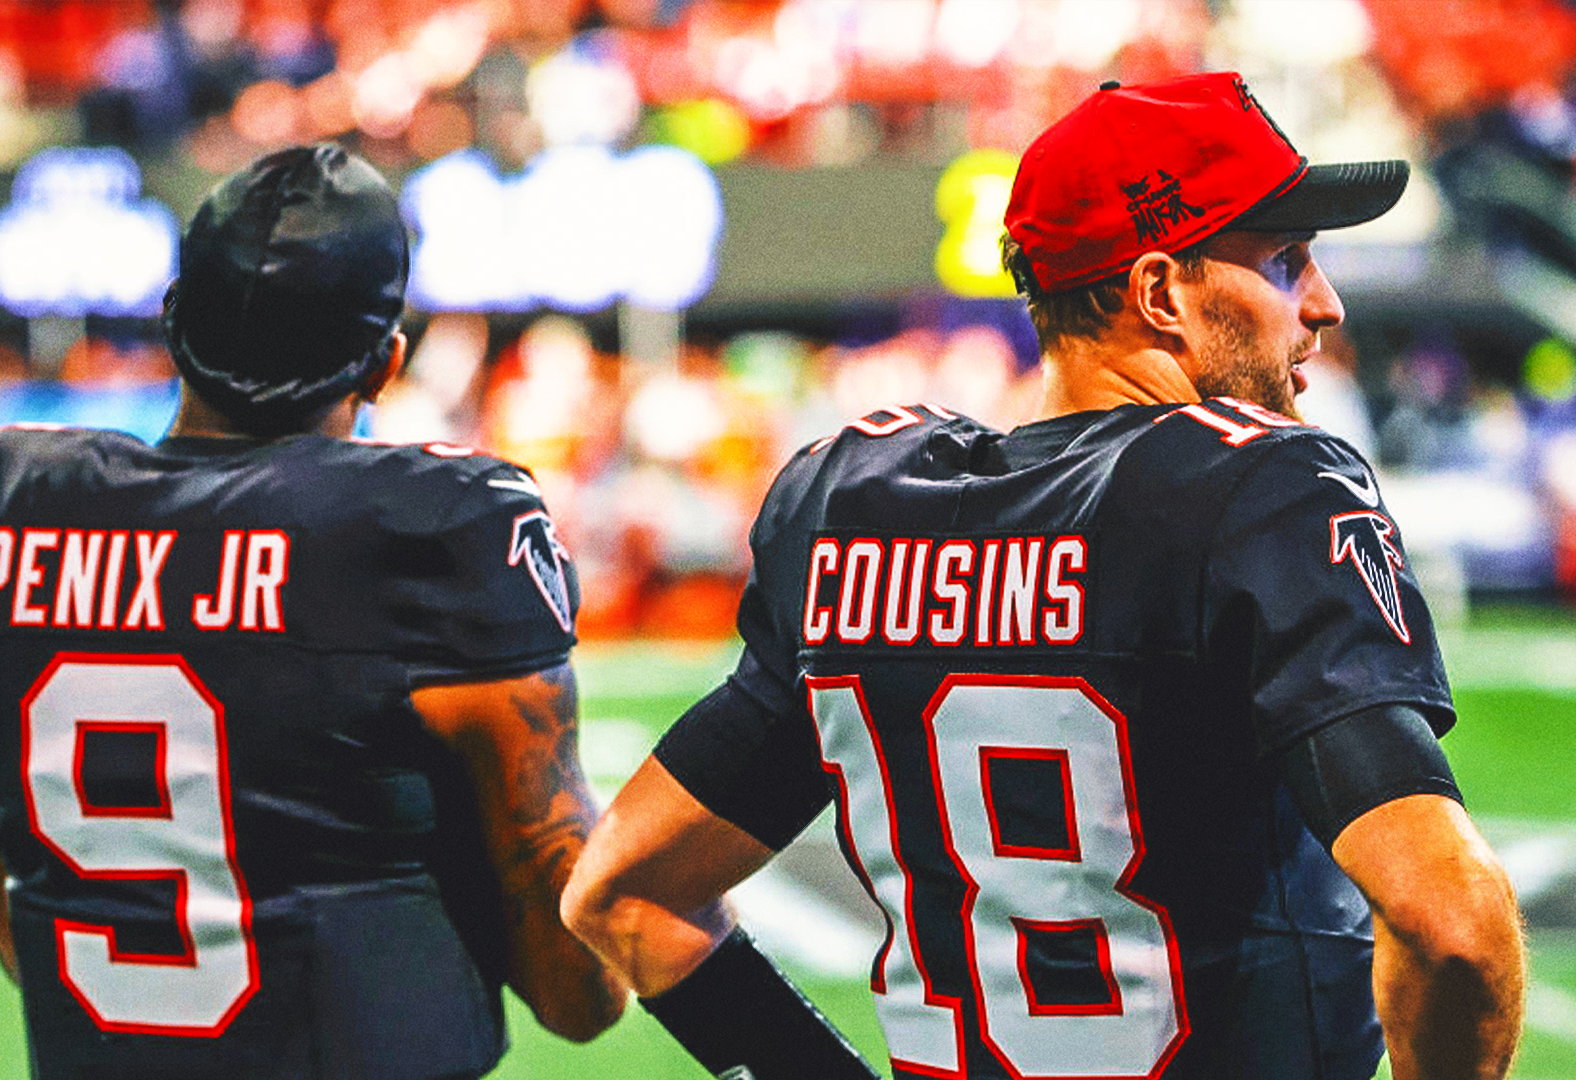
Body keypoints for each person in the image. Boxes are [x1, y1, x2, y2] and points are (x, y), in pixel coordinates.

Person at [563, 73, 1525, 1080]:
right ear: (1160, 293)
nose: (1323, 305)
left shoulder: (853, 509)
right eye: (1284, 261)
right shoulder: (1255, 489)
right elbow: (1453, 925)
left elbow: (624, 894)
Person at [0, 144, 625, 1080]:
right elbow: (579, 990)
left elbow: (14, 920)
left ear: (173, 324)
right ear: (386, 365)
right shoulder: (433, 529)